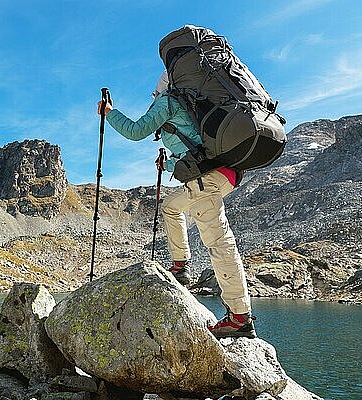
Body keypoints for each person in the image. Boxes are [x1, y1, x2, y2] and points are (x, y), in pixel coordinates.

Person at [97, 72, 256, 339]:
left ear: (163, 88)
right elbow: (194, 153)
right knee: (171, 206)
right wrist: (168, 165)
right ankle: (180, 266)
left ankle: (240, 317)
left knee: (219, 243)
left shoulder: (169, 101)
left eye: (153, 92)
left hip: (206, 181)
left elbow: (135, 132)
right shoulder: (192, 105)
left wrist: (109, 112)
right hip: (218, 175)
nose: (153, 96)